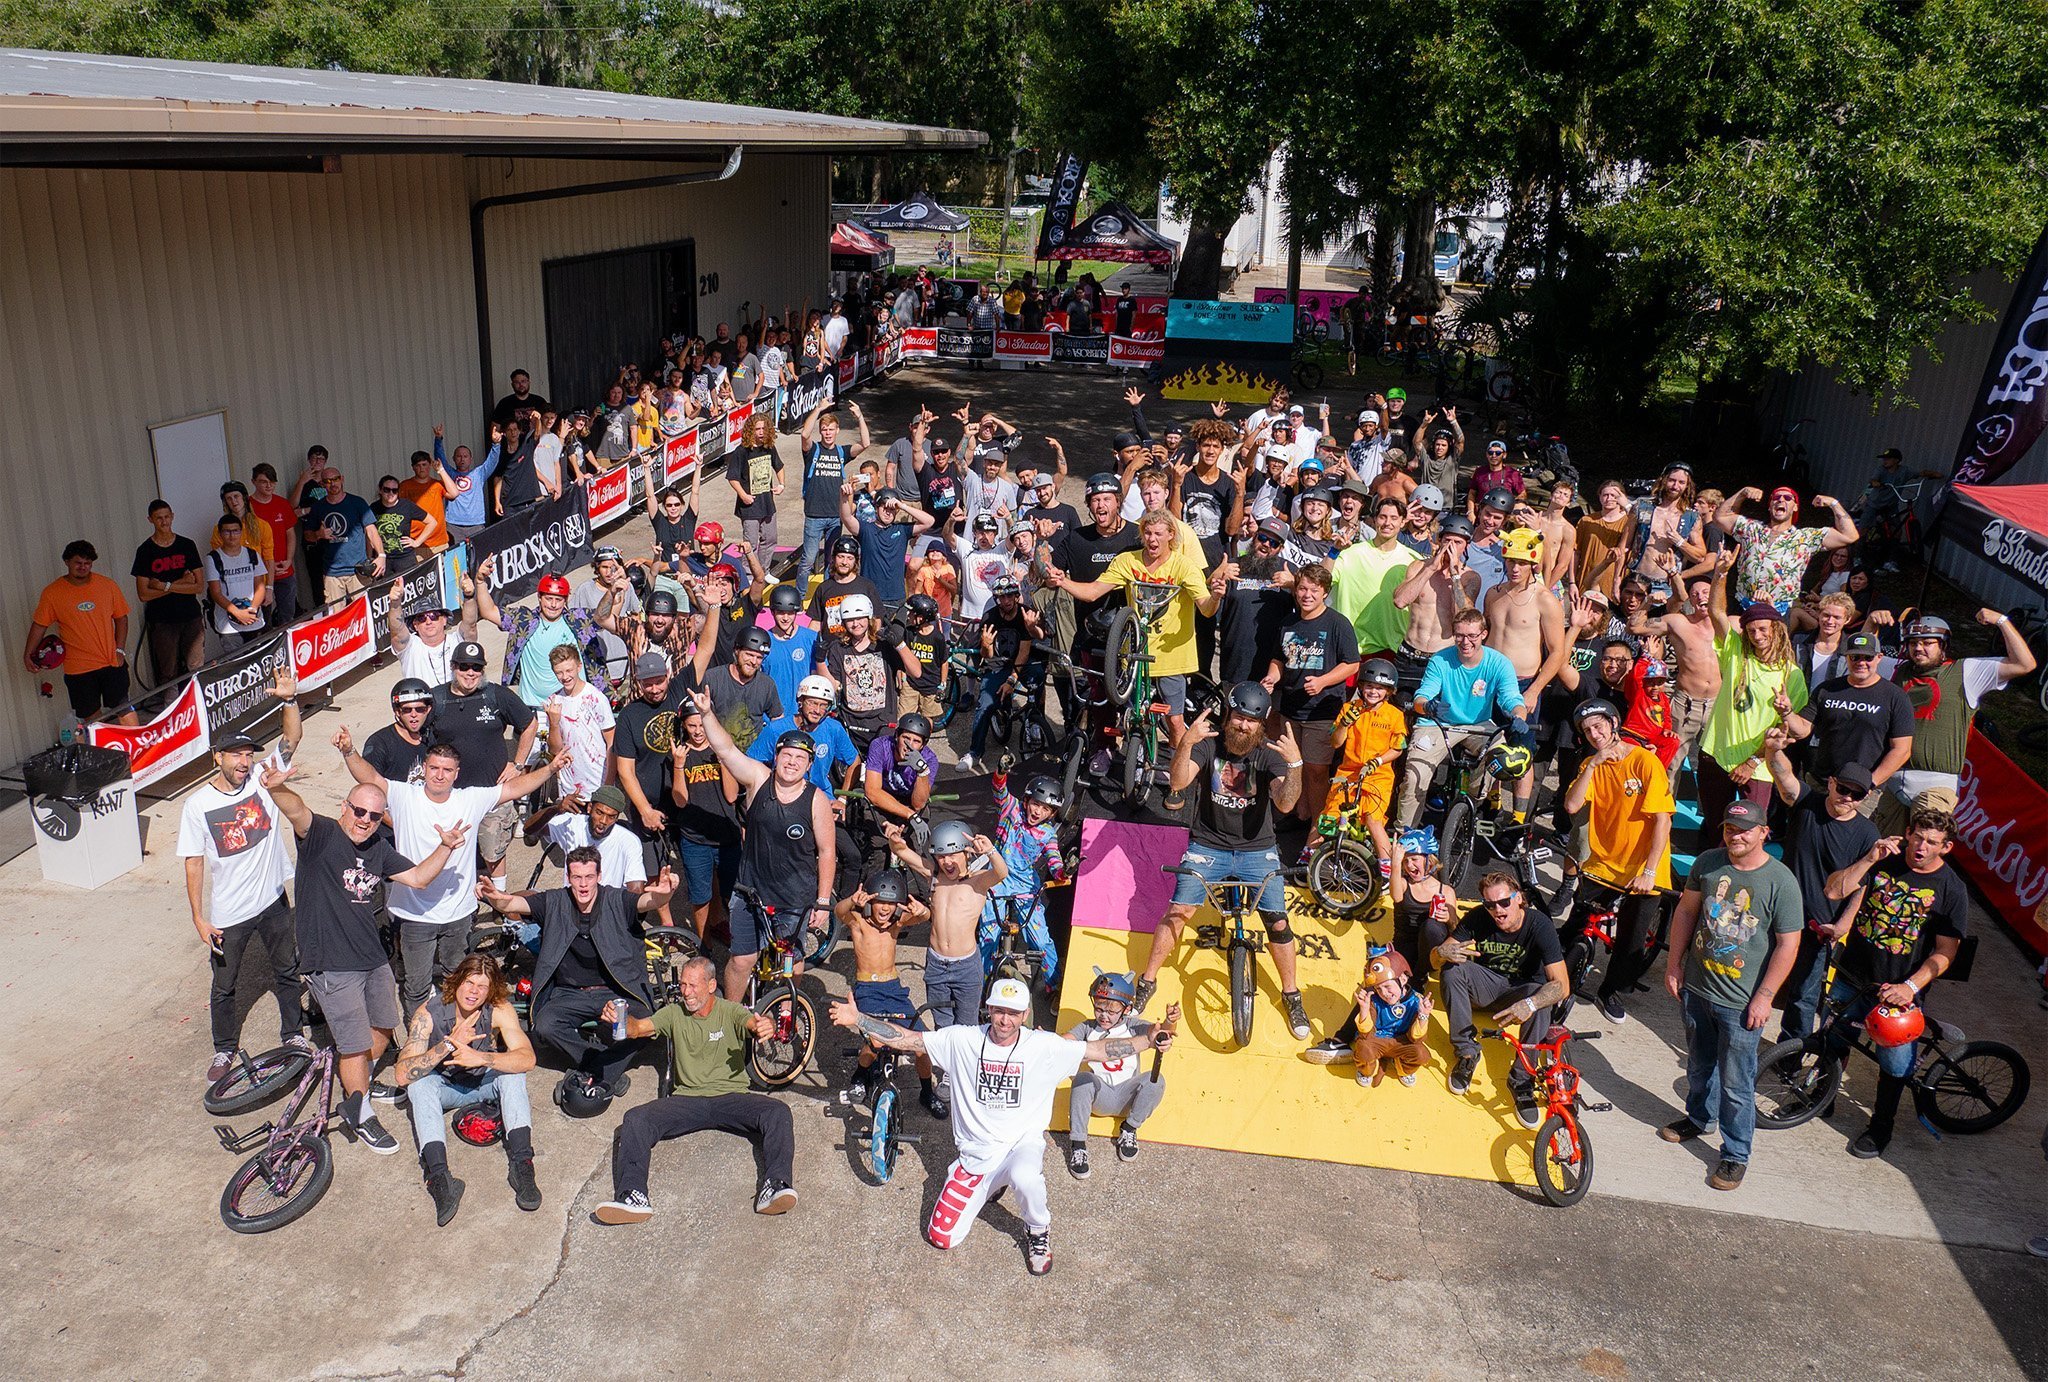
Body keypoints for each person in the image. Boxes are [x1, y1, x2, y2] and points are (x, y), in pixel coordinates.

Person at [830, 977, 1177, 1275]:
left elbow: (1099, 1050)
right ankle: (992, 1184)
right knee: (941, 1238)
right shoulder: (962, 1040)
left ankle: (1038, 1231)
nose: (1005, 1020)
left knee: (1026, 1176)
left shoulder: (1043, 1047)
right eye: (999, 1011)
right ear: (988, 1009)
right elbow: (908, 1040)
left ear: (1025, 1015)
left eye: (1013, 1013)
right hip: (976, 1156)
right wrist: (859, 1019)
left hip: (1020, 1146)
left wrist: (1149, 1039)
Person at [265, 763, 466, 1159]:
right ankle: (358, 1111)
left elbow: (418, 878)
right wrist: (276, 789)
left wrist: (446, 847)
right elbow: (297, 811)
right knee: (354, 1045)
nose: (366, 821)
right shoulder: (322, 835)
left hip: (372, 958)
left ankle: (362, 1084)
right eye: (359, 811)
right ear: (345, 807)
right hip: (330, 962)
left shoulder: (378, 849)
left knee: (384, 1027)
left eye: (375, 816)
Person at [337, 736, 565, 1016]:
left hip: (458, 913)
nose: (440, 775)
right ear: (424, 768)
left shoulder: (470, 799)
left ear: (457, 773)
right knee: (416, 987)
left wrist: (550, 769)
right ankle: (419, 1036)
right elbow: (369, 777)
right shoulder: (403, 795)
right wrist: (349, 750)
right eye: (434, 768)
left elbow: (513, 788)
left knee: (456, 979)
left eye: (447, 770)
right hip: (414, 915)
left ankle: (454, 1029)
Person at [1135, 685, 1312, 1037]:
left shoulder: (1268, 754)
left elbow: (1285, 803)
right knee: (1178, 911)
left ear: (1262, 724)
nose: (1243, 725)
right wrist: (1186, 742)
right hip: (1208, 844)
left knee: (1278, 922)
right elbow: (1179, 782)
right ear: (1228, 715)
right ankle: (1147, 981)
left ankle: (1291, 995)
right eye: (1239, 717)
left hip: (1258, 848)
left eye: (1251, 720)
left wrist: (1295, 765)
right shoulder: (1208, 743)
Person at [1660, 799, 1803, 1192]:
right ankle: (1699, 1118)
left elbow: (1788, 945)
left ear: (1764, 833)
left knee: (1737, 1084)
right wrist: (1674, 964)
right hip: (1697, 989)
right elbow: (1686, 912)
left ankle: (1736, 1153)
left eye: (1744, 830)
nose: (1735, 836)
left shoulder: (1781, 882)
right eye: (1729, 828)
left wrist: (1765, 997)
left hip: (1741, 1004)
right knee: (1699, 1066)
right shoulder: (1708, 863)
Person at [591, 954, 796, 1225]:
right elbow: (638, 1028)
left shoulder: (729, 1010)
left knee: (778, 1112)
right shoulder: (674, 1013)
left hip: (731, 1097)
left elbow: (752, 1023)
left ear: (711, 985)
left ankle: (776, 1185)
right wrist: (621, 1019)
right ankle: (632, 1196)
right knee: (636, 1118)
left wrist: (764, 1025)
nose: (686, 992)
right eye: (683, 985)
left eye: (693, 986)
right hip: (687, 1100)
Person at [1821, 808, 1969, 1160]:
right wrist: (1869, 859)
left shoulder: (1951, 889)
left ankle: (1881, 1127)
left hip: (1899, 993)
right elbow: (1833, 890)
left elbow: (1946, 952)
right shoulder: (1883, 860)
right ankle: (1821, 1097)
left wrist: (1910, 988)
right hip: (1853, 975)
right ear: (1907, 833)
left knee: (1895, 1065)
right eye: (1917, 837)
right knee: (1833, 1040)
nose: (1921, 846)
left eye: (1931, 842)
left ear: (1946, 847)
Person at [478, 849, 679, 1103]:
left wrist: (665, 894)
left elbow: (648, 901)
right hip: (570, 993)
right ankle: (605, 1069)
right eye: (577, 877)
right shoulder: (554, 901)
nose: (583, 884)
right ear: (568, 877)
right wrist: (495, 898)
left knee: (647, 1024)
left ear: (599, 876)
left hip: (614, 990)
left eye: (589, 877)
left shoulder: (616, 900)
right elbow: (511, 904)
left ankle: (594, 1070)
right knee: (545, 1026)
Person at [178, 712, 307, 1082]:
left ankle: (293, 1034)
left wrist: (290, 700)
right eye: (236, 755)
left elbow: (292, 737)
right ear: (217, 757)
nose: (244, 762)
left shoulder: (263, 779)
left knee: (287, 971)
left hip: (273, 901)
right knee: (224, 986)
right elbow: (193, 862)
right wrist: (198, 917)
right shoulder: (198, 805)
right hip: (228, 914)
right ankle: (224, 1049)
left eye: (248, 755)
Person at [693, 689, 836, 998]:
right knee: (741, 960)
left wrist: (823, 901)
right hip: (751, 892)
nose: (792, 762)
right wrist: (706, 714)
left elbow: (827, 852)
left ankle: (787, 1008)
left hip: (794, 897)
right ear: (776, 756)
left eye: (800, 758)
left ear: (809, 765)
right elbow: (726, 751)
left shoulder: (816, 800)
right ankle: (733, 1014)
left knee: (791, 961)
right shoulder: (759, 780)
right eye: (787, 755)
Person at [1048, 509, 1222, 748]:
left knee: (1175, 721)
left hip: (1172, 656)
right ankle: (1135, 759)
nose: (1152, 539)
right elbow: (1092, 592)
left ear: (1171, 535)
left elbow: (1206, 608)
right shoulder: (1128, 561)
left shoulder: (1184, 566)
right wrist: (1063, 581)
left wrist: (1215, 597)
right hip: (1135, 656)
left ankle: (1178, 764)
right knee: (1134, 719)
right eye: (1148, 533)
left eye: (1158, 534)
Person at [392, 955, 541, 1225]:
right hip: (447, 1086)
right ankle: (439, 1177)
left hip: (484, 1082)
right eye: (469, 983)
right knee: (418, 1086)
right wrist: (448, 1044)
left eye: (482, 986)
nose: (474, 992)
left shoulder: (499, 1009)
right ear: (457, 981)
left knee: (514, 1075)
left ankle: (522, 1165)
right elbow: (401, 1074)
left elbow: (528, 1059)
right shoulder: (429, 1013)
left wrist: (481, 1058)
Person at [1559, 698, 1675, 1023]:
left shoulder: (1644, 762)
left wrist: (1649, 871)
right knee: (1575, 923)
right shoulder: (1591, 764)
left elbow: (1662, 821)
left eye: (1598, 726)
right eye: (1587, 731)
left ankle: (1610, 990)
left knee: (1631, 940)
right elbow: (1571, 805)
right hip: (1604, 862)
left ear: (1613, 724)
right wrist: (1592, 765)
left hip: (1645, 866)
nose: (1594, 734)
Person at [1760, 735, 1880, 1042]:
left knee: (1803, 997)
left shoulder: (1868, 833)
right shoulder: (1807, 802)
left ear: (1866, 796)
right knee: (1757, 979)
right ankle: (1739, 1037)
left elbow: (1860, 886)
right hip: (1776, 914)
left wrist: (1843, 924)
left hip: (1818, 927)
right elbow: (1784, 776)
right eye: (1843, 789)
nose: (1847, 798)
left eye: (1856, 794)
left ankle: (1791, 1056)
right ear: (1831, 783)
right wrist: (1773, 749)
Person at [1878, 610, 2035, 830]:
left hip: (1934, 785)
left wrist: (2002, 622)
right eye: (1913, 643)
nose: (1919, 648)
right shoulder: (1896, 669)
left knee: (1924, 844)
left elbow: (2025, 664)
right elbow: (1857, 657)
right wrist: (1871, 624)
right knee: (1882, 845)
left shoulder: (1966, 671)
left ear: (1943, 646)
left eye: (1927, 643)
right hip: (1894, 781)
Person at [1437, 873, 1571, 1128]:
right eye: (1490, 905)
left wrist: (1529, 1004)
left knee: (1542, 998)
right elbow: (1438, 957)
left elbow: (1562, 986)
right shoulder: (1478, 917)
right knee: (1452, 970)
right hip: (1487, 986)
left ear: (1518, 898)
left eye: (1504, 902)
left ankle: (1522, 1078)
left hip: (1521, 990)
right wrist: (1440, 952)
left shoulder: (1540, 925)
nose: (1497, 910)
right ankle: (1467, 1053)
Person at [1698, 553, 1808, 827]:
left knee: (1751, 829)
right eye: (1750, 631)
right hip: (1717, 753)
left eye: (1762, 629)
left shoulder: (1791, 674)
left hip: (1758, 766)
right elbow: (1716, 613)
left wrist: (1752, 762)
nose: (1757, 636)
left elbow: (1785, 729)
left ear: (1777, 630)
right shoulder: (1737, 653)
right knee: (1715, 827)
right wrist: (1720, 574)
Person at [1399, 608, 1530, 828]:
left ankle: (1472, 803)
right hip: (1438, 723)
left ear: (1484, 634)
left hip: (1479, 724)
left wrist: (1519, 717)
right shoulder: (1440, 659)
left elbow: (1511, 698)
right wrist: (1427, 707)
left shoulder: (1499, 663)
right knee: (1414, 778)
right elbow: (1422, 695)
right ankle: (1404, 833)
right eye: (1459, 635)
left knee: (1499, 756)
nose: (1465, 642)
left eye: (1472, 636)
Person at [424, 640, 538, 890]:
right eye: (464, 666)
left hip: (492, 794)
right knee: (454, 850)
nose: (470, 673)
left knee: (493, 850)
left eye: (476, 667)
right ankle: (463, 895)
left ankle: (499, 899)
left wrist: (518, 764)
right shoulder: (437, 699)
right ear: (453, 667)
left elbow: (529, 724)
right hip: (452, 796)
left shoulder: (496, 695)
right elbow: (418, 735)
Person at [885, 820, 1006, 1049]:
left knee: (967, 1026)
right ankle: (945, 1066)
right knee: (942, 1023)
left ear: (967, 853)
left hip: (966, 966)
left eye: (953, 855)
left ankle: (965, 1064)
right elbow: (902, 851)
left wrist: (990, 850)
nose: (946, 862)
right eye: (940, 856)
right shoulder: (933, 875)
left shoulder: (978, 880)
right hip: (936, 963)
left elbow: (1001, 872)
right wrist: (894, 838)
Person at [836, 870, 947, 1118]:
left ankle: (926, 1091)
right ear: (869, 902)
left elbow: (924, 917)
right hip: (867, 990)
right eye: (879, 902)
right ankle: (859, 1077)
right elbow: (839, 912)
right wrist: (852, 901)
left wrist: (922, 910)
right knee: (876, 1040)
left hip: (894, 990)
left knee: (923, 1043)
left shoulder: (896, 923)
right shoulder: (858, 922)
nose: (885, 909)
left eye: (891, 904)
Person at [1267, 564, 1360, 822]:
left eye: (1314, 590)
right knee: (1292, 766)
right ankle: (1300, 814)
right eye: (1302, 589)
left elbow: (1352, 664)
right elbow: (1278, 659)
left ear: (1325, 593)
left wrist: (1322, 681)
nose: (1307, 595)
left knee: (1316, 770)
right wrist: (1272, 677)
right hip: (1290, 709)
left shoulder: (1337, 623)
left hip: (1322, 710)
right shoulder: (1288, 623)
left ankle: (1317, 826)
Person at [1784, 630, 1912, 808]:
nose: (1861, 662)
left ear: (1879, 658)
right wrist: (1786, 712)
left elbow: (1902, 750)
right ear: (1846, 658)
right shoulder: (1827, 689)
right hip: (1821, 783)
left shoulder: (1895, 697)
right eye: (1855, 657)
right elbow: (1802, 730)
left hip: (1862, 792)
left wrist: (1870, 783)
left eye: (1868, 658)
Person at [1063, 972, 1173, 1177]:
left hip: (1128, 1097)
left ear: (1127, 1009)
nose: (1104, 1016)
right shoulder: (1087, 1027)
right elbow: (1064, 1042)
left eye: (1112, 1011)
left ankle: (1130, 1128)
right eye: (1099, 1008)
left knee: (1156, 1079)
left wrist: (1169, 1022)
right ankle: (1078, 1145)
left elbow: (1158, 1032)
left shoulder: (1133, 1026)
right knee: (1082, 1079)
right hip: (1101, 1096)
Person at [473, 563, 615, 708]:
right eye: (549, 598)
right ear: (539, 597)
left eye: (558, 600)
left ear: (565, 600)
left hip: (574, 705)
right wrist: (480, 581)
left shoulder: (580, 620)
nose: (553, 605)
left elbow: (606, 617)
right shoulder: (523, 620)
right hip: (532, 706)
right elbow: (488, 611)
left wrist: (613, 591)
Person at [980, 769, 1070, 993]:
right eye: (1036, 804)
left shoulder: (1048, 833)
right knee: (988, 936)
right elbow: (999, 791)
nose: (1038, 811)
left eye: (1046, 808)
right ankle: (981, 985)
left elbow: (1053, 858)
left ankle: (1053, 984)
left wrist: (1062, 872)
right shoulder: (1011, 809)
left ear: (1052, 813)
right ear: (1027, 800)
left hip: (1026, 885)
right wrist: (1001, 773)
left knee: (1040, 940)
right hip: (995, 879)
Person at [27, 539, 134, 722]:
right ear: (67, 562)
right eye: (78, 562)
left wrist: (120, 650)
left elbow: (121, 618)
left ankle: (137, 742)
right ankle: (100, 743)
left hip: (111, 662)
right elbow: (39, 625)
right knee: (91, 719)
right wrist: (28, 654)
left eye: (87, 563)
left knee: (124, 709)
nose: (83, 567)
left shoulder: (107, 585)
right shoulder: (52, 593)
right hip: (78, 668)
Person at [1712, 485, 1858, 616]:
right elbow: (1720, 517)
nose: (1781, 500)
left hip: (1779, 611)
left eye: (1787, 498)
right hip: (1742, 604)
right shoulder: (1751, 528)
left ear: (1795, 507)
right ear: (1770, 506)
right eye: (1776, 497)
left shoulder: (1806, 537)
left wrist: (1833, 504)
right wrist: (1742, 493)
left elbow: (1850, 535)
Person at [797, 400, 872, 588]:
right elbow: (805, 434)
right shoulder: (813, 450)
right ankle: (799, 597)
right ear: (820, 431)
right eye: (824, 429)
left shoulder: (841, 452)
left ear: (837, 430)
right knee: (808, 560)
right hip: (814, 514)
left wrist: (860, 417)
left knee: (832, 561)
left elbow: (865, 443)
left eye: (831, 429)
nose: (828, 433)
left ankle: (827, 593)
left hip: (835, 515)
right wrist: (818, 409)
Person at [132, 500, 206, 685]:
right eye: (159, 518)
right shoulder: (145, 551)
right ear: (150, 520)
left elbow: (198, 586)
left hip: (190, 615)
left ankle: (197, 699)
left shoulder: (186, 545)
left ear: (172, 516)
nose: (164, 521)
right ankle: (172, 702)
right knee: (168, 669)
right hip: (162, 620)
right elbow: (143, 594)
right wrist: (181, 583)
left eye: (167, 517)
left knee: (195, 664)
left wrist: (163, 586)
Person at [1349, 944, 1433, 1088]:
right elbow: (1365, 1034)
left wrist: (1423, 1016)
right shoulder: (1374, 1000)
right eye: (1378, 988)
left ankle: (1402, 1066)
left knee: (1421, 1053)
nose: (1384, 993)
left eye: (1387, 986)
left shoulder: (1416, 1001)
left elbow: (1416, 1038)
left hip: (1401, 1043)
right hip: (1377, 1040)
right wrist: (1364, 1009)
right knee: (1363, 1048)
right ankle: (1369, 1069)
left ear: (1403, 979)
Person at [303, 467, 385, 604]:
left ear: (342, 479)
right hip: (332, 573)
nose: (332, 484)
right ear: (322, 484)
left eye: (335, 479)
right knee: (336, 614)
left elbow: (371, 530)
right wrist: (318, 534)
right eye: (327, 481)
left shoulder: (357, 503)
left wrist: (381, 555)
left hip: (358, 570)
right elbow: (307, 535)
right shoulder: (318, 507)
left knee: (364, 610)